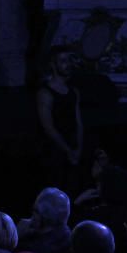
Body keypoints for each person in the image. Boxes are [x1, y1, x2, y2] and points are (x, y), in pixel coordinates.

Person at [36, 46, 83, 193]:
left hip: (71, 149)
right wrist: (69, 151)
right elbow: (48, 127)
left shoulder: (74, 91)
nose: (68, 64)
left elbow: (78, 122)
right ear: (53, 64)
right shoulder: (45, 92)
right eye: (63, 60)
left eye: (69, 60)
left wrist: (78, 149)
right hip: (53, 151)